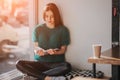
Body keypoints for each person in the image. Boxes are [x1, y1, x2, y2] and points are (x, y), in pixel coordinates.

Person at [16, 3, 71, 80]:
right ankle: (47, 78)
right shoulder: (37, 29)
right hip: (40, 63)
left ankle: (34, 76)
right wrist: (38, 50)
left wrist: (55, 52)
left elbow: (63, 50)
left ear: (56, 16)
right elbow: (35, 47)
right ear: (44, 16)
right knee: (19, 63)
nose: (49, 19)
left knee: (67, 66)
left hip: (56, 65)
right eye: (47, 16)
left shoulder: (63, 30)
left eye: (52, 16)